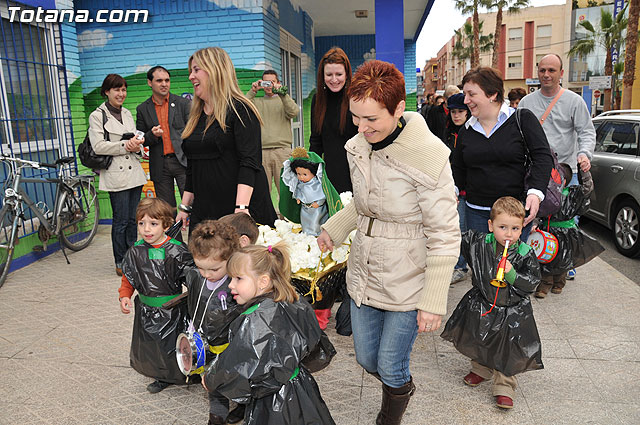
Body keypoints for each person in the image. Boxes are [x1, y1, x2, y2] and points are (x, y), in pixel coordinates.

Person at [316, 60, 460, 425]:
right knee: (366, 359)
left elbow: (444, 234)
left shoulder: (428, 157)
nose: (362, 129)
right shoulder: (358, 146)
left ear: (398, 110)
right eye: (356, 118)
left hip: (409, 277)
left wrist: (433, 300)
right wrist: (334, 229)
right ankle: (399, 388)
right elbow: (365, 207)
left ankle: (390, 411)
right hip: (365, 269)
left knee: (390, 364)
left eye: (371, 120)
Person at [203, 243, 336, 425]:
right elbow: (314, 341)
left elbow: (238, 365)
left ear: (263, 281)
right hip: (300, 387)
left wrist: (211, 378)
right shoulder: (291, 299)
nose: (231, 285)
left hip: (273, 400)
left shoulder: (255, 319)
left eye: (238, 278)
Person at [441, 196, 543, 410]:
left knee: (508, 347)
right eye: (503, 227)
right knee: (480, 337)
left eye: (515, 228)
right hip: (483, 302)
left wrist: (513, 274)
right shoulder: (479, 243)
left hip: (512, 309)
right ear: (491, 226)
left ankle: (505, 385)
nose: (509, 234)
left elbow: (533, 282)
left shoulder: (524, 253)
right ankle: (481, 368)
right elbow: (454, 237)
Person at [177, 47, 277, 235]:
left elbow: (250, 162)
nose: (191, 76)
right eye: (191, 71)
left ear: (215, 70)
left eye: (196, 70)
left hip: (237, 209)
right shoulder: (196, 115)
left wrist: (241, 210)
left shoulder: (241, 110)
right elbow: (193, 167)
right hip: (204, 211)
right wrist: (184, 207)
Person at [518, 53, 596, 280]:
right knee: (534, 218)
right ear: (537, 72)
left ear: (561, 73)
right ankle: (535, 261)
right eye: (542, 70)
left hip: (565, 172)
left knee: (566, 222)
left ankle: (565, 262)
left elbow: (586, 131)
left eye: (552, 70)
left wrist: (584, 154)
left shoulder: (574, 101)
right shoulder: (526, 103)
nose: (546, 75)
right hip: (536, 172)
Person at [452, 67, 554, 240]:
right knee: (482, 266)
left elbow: (542, 157)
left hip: (513, 215)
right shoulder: (466, 130)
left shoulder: (522, 120)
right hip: (476, 213)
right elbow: (458, 168)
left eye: (471, 94)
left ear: (492, 94)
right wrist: (452, 191)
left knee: (510, 266)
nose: (466, 100)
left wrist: (536, 193)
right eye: (465, 94)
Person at [118, 197, 194, 393]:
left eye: (153, 224)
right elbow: (129, 277)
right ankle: (157, 372)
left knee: (169, 344)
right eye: (141, 223)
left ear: (166, 225)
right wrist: (124, 296)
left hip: (171, 310)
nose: (146, 229)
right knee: (151, 344)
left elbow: (192, 279)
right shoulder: (136, 251)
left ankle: (172, 374)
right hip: (146, 309)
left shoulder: (176, 250)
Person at [185, 220, 244, 425]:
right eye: (200, 267)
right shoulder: (196, 277)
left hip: (232, 346)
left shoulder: (237, 284)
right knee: (213, 383)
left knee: (238, 381)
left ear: (231, 258)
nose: (207, 275)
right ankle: (216, 417)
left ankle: (244, 405)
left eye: (214, 269)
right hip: (207, 345)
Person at [88, 73, 147, 276]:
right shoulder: (98, 116)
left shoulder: (128, 113)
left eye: (123, 89)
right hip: (116, 174)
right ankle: (120, 260)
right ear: (107, 92)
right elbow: (98, 146)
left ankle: (133, 258)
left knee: (133, 220)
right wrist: (125, 145)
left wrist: (138, 146)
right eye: (117, 90)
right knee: (121, 220)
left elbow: (134, 139)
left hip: (134, 174)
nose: (121, 94)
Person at [533, 165, 604, 298]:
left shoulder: (573, 193)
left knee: (563, 259)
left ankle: (559, 284)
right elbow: (537, 211)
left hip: (566, 233)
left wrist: (585, 172)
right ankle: (544, 285)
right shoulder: (547, 193)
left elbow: (587, 188)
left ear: (564, 180)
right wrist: (535, 224)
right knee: (546, 259)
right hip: (548, 231)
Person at [136, 66, 190, 211]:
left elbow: (192, 133)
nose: (164, 84)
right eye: (159, 80)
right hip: (160, 165)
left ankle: (195, 235)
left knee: (192, 207)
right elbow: (140, 139)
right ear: (150, 82)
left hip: (183, 163)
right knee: (167, 211)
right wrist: (151, 135)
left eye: (167, 80)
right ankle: (173, 235)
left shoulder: (183, 104)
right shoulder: (142, 109)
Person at [309, 47, 358, 194]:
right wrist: (311, 173)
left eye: (339, 74)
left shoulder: (356, 98)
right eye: (329, 74)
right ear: (322, 75)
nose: (334, 79)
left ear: (347, 74)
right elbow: (316, 142)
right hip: (330, 176)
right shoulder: (317, 100)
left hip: (357, 173)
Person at [247, 70, 299, 202]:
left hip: (282, 151)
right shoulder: (257, 102)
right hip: (262, 152)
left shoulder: (283, 100)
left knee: (285, 190)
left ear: (278, 83)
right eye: (265, 82)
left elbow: (294, 112)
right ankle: (266, 221)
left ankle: (287, 221)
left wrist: (282, 93)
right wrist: (253, 91)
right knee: (262, 191)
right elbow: (242, 108)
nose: (268, 85)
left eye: (272, 82)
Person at [279, 147, 342, 237]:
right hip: (305, 209)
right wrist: (298, 198)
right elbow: (299, 192)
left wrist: (318, 202)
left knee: (316, 222)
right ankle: (306, 233)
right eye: (299, 174)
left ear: (313, 172)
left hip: (317, 209)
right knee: (305, 222)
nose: (301, 177)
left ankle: (317, 233)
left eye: (305, 174)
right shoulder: (300, 183)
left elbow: (323, 194)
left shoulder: (317, 184)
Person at [443, 93, 471, 284]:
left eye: (460, 111)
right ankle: (459, 265)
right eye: (453, 111)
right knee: (456, 229)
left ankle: (466, 265)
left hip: (471, 189)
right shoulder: (447, 132)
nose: (457, 115)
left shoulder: (472, 131)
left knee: (467, 229)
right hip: (452, 188)